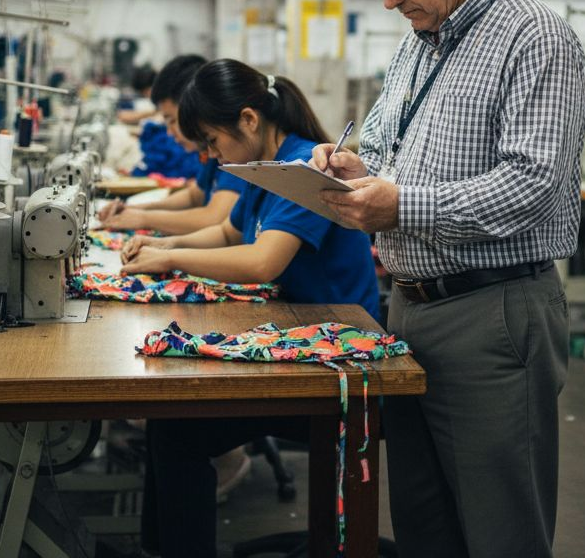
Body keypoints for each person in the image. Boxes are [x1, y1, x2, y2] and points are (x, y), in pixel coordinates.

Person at [311, 0, 585, 558]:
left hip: (493, 314)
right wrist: (352, 166)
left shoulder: (535, 39)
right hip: (410, 310)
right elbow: (383, 144)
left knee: (500, 531)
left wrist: (399, 204)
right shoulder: (417, 42)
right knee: (424, 524)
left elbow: (530, 185)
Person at [121, 58, 379, 558]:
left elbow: (262, 261)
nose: (212, 157)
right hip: (300, 332)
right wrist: (152, 245)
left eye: (213, 142)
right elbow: (227, 233)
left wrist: (170, 255)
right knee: (169, 422)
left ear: (249, 120)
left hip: (340, 359)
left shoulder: (307, 169)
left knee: (177, 431)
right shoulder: (265, 169)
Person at [99, 54, 247, 235]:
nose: (169, 132)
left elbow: (214, 219)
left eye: (172, 120)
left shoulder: (234, 154)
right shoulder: (213, 153)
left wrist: (144, 218)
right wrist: (136, 210)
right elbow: (195, 196)